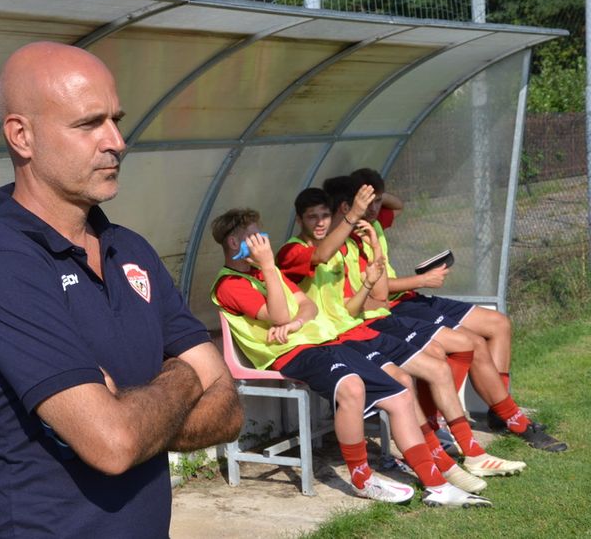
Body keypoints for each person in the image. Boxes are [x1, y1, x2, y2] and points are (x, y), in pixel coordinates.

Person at [0, 41, 243, 537]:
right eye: (88, 124)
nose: (117, 141)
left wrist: (134, 412)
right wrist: (185, 378)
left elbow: (228, 408)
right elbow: (113, 445)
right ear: (21, 136)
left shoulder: (130, 249)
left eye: (116, 120)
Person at [210, 208, 490, 507]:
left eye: (261, 235)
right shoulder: (230, 284)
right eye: (254, 236)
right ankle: (362, 479)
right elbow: (278, 314)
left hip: (322, 341)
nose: (263, 242)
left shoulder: (266, 273)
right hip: (289, 354)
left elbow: (308, 306)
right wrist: (268, 267)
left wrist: (295, 322)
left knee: (399, 395)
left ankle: (436, 484)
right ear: (233, 242)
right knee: (351, 387)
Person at [282, 185, 524, 481]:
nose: (320, 222)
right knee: (406, 381)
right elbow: (322, 264)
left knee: (444, 361)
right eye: (312, 217)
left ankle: (469, 452)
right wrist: (357, 218)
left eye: (324, 215)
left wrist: (375, 251)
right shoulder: (295, 252)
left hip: (360, 327)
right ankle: (432, 460)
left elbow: (376, 297)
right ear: (300, 219)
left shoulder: (347, 245)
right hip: (336, 338)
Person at [344, 169, 567, 452]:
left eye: (377, 200)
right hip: (394, 308)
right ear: (349, 205)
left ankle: (498, 411)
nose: (376, 207)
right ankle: (509, 419)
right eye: (369, 201)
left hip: (409, 298)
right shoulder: (349, 240)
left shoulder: (374, 223)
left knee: (498, 323)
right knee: (470, 344)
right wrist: (423, 280)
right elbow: (377, 290)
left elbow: (397, 206)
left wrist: (375, 194)